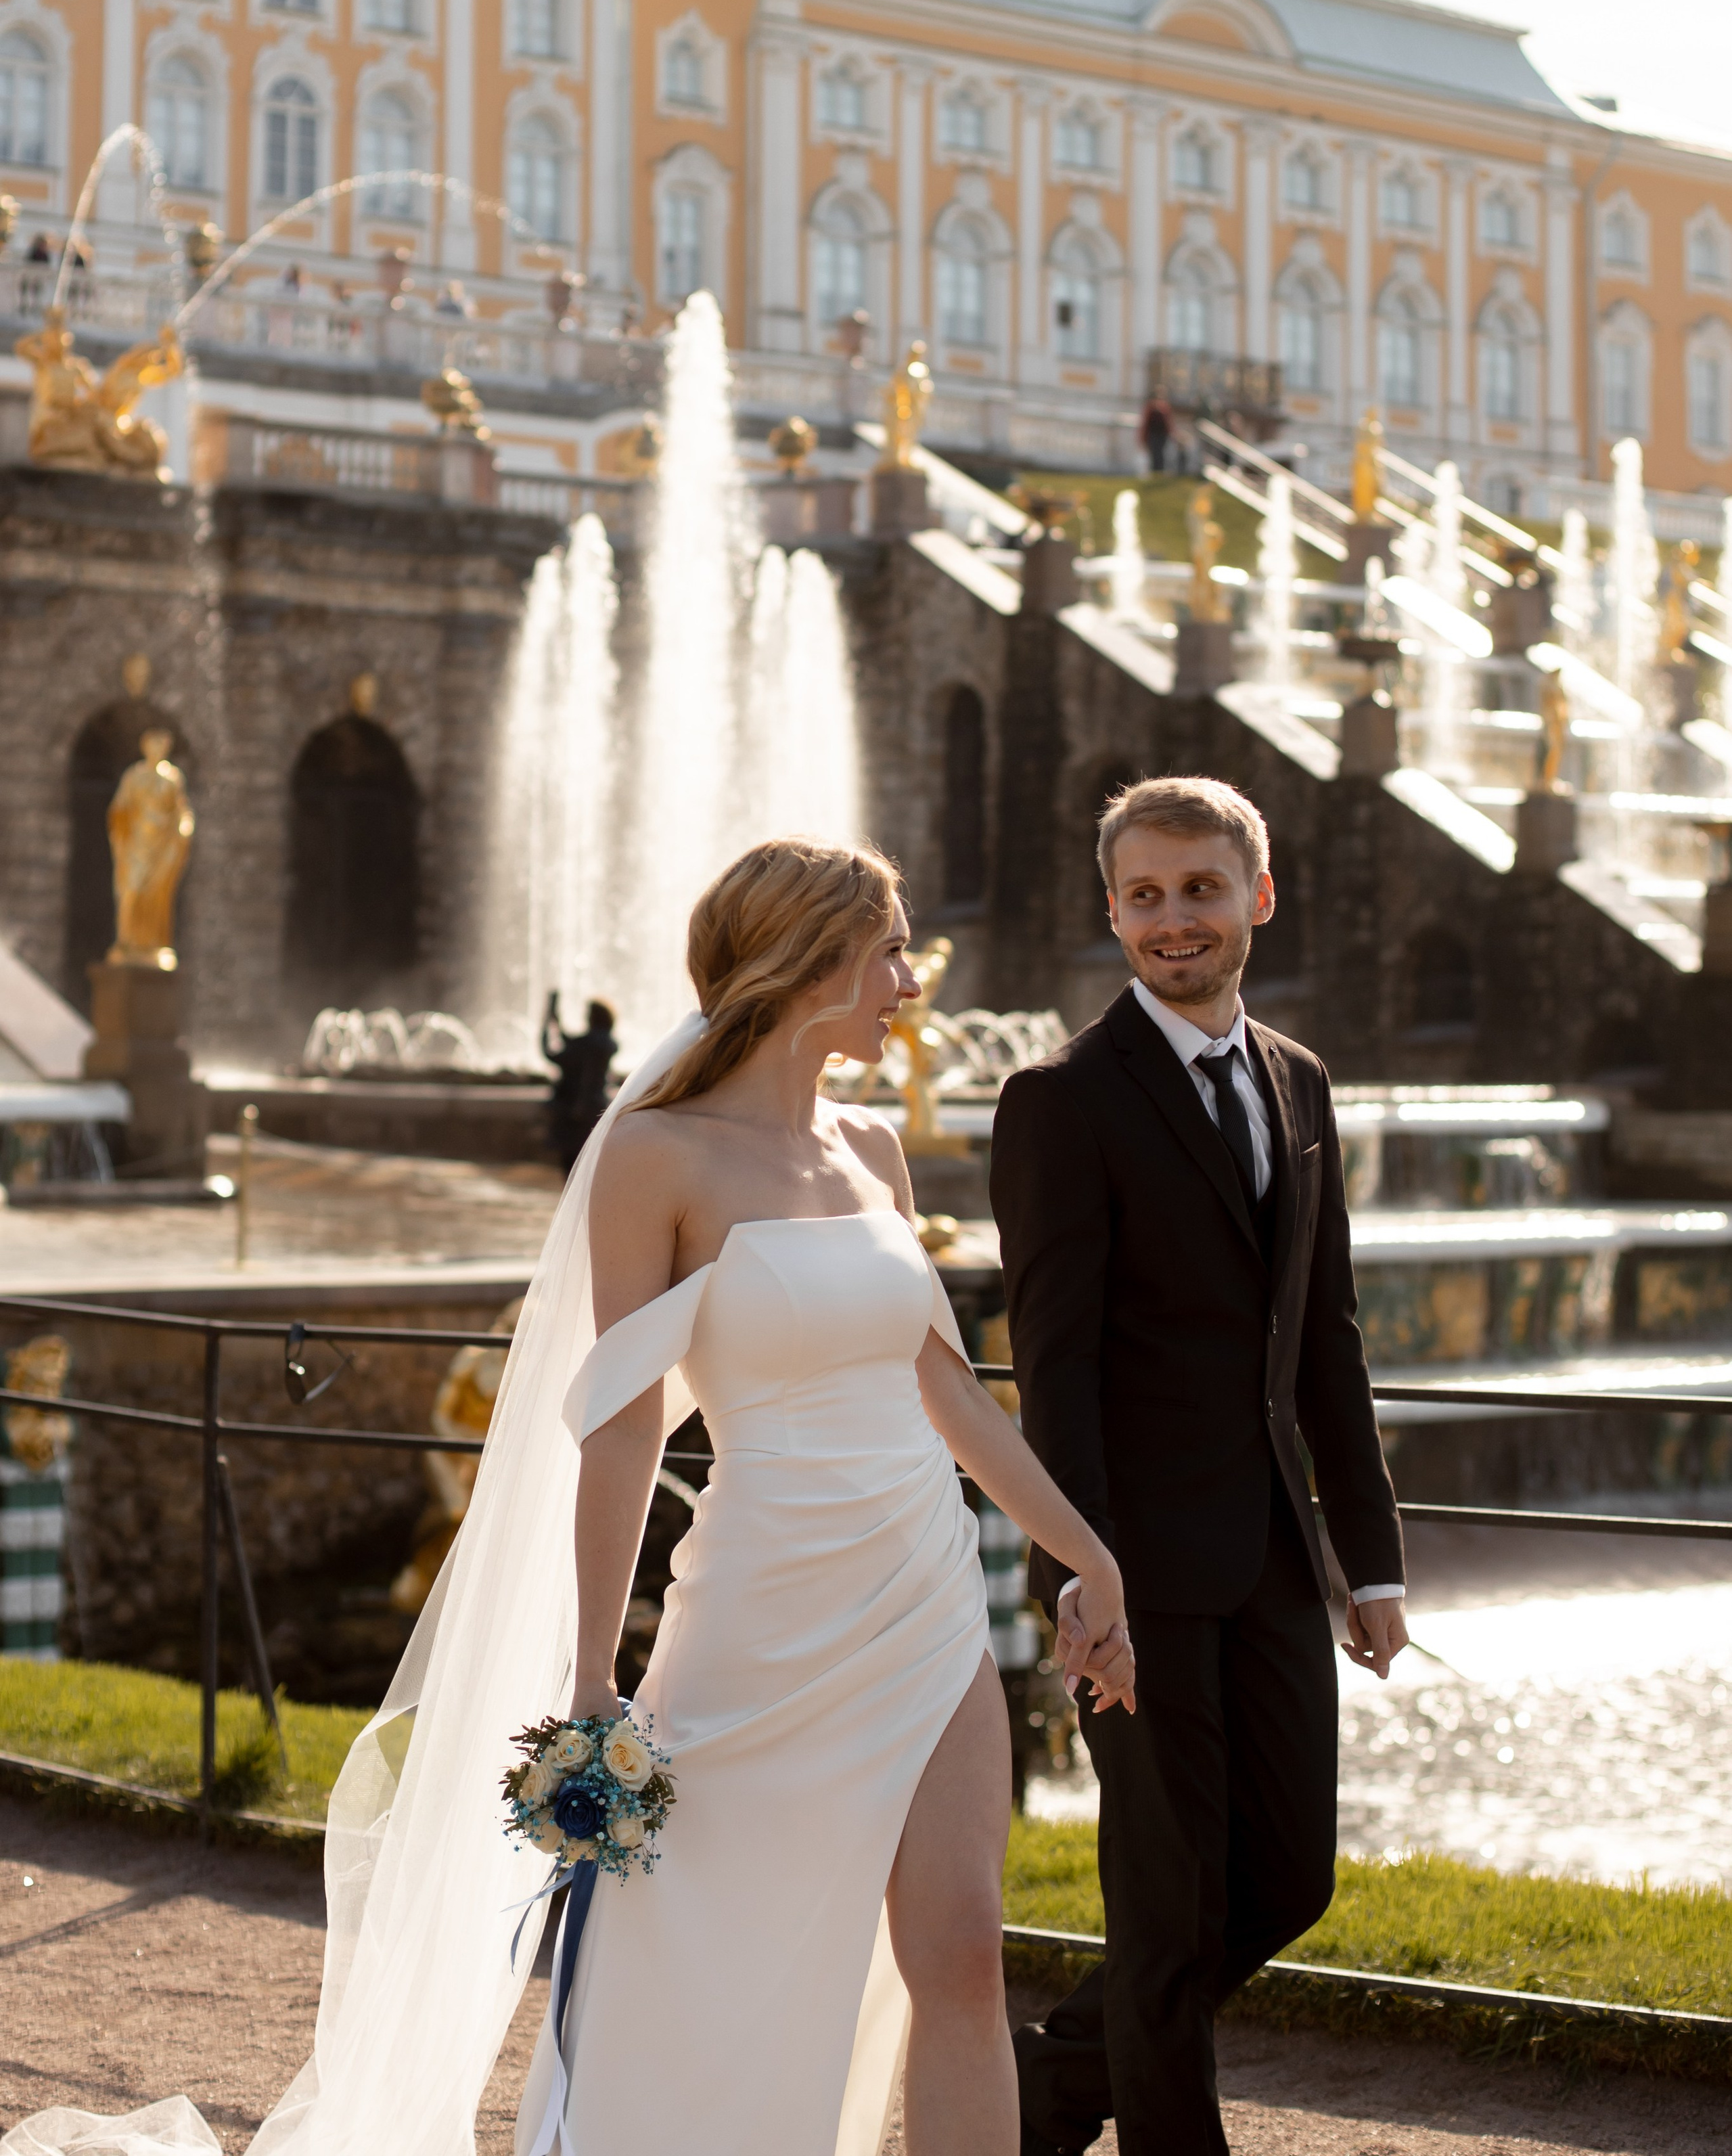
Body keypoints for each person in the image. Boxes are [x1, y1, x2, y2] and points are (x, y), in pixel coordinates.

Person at [9, 840, 1133, 2156]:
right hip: (759, 1618)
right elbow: (621, 1422)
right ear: (812, 957)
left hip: (924, 1603)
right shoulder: (654, 1158)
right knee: (700, 1953)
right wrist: (597, 1670)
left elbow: (947, 1390)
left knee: (961, 1956)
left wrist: (1088, 1557)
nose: (909, 984)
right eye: (890, 952)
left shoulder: (875, 1146)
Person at [993, 776, 1407, 2156]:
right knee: (1166, 1907)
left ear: (1258, 897)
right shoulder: (1058, 1099)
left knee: (1287, 1878)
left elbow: (1326, 1337)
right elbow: (1054, 1364)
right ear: (1112, 910)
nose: (1174, 918)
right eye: (1144, 894)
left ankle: (1045, 2096)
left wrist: (1368, 1561)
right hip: (1129, 1570)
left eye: (1201, 888)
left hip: (1276, 1558)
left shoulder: (1299, 1079)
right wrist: (1079, 1575)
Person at [541, 993, 616, 1171]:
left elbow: (551, 1053)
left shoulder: (584, 1047)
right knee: (588, 1164)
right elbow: (574, 1041)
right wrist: (557, 1021)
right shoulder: (606, 1044)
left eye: (588, 1015)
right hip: (595, 1108)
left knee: (571, 1163)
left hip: (573, 1112)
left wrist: (548, 1021)